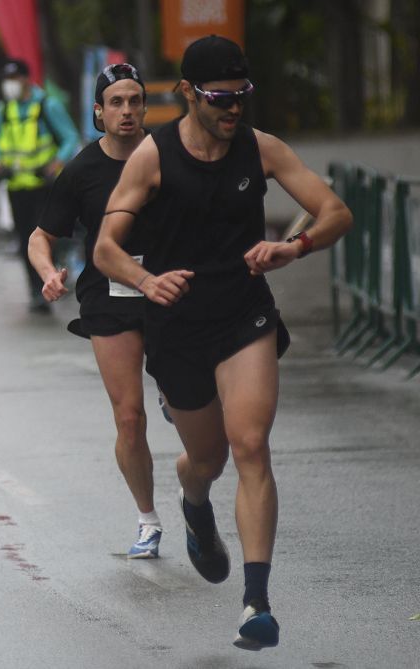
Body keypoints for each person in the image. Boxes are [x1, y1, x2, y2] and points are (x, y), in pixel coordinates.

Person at [93, 36, 352, 650]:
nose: (233, 110)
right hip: (178, 327)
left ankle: (256, 602)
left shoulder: (260, 149)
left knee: (252, 445)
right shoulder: (152, 158)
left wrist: (295, 246)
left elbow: (335, 210)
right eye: (220, 99)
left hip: (244, 315)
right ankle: (193, 500)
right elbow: (105, 249)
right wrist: (146, 280)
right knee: (205, 459)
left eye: (242, 97)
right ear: (187, 93)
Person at [28, 62, 165, 558]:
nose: (126, 111)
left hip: (170, 291)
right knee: (129, 417)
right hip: (109, 297)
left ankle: (178, 398)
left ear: (145, 107)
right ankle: (147, 519)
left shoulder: (168, 154)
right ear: (98, 112)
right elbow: (40, 235)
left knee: (193, 405)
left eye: (134, 101)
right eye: (116, 103)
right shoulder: (83, 170)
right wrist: (48, 272)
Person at [0, 58, 79, 313]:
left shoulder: (47, 105)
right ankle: (35, 289)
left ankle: (51, 275)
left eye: (14, 79)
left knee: (47, 238)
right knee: (24, 238)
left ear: (27, 79)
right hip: (16, 185)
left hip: (44, 185)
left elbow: (70, 137)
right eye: (7, 81)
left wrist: (57, 162)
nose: (10, 86)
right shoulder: (3, 109)